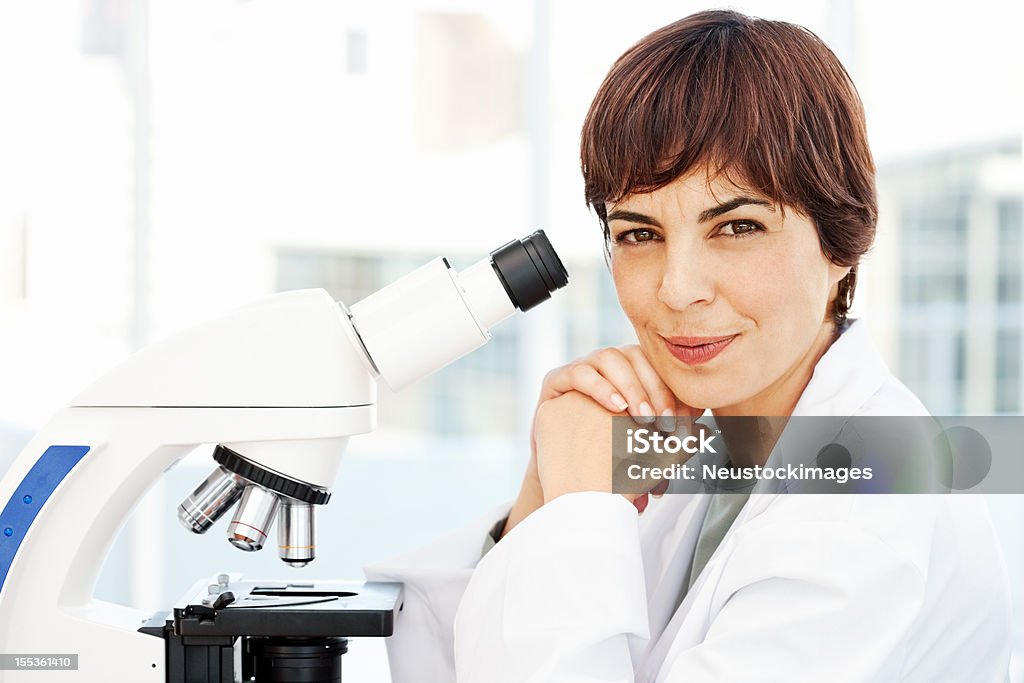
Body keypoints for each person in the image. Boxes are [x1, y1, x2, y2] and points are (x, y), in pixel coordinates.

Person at [365, 10, 1012, 682]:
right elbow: (458, 658)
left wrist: (580, 510)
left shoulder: (872, 490)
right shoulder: (721, 442)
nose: (677, 289)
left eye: (736, 226)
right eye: (639, 233)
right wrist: (542, 494)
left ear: (841, 239)